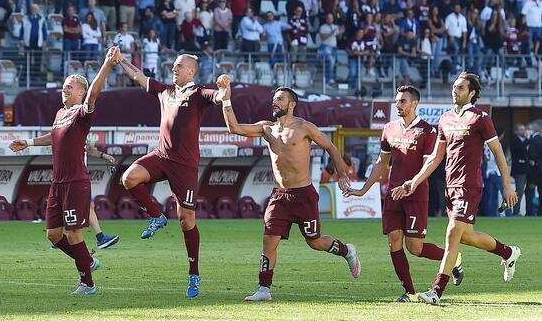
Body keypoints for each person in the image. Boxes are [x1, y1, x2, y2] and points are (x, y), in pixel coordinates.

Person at [216, 81, 360, 302]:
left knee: (314, 241)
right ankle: (264, 289)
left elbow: (331, 147)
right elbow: (234, 128)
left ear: (292, 104)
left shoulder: (305, 127)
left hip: (303, 194)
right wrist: (226, 99)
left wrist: (342, 175)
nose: (275, 101)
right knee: (268, 241)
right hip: (279, 195)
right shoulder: (266, 128)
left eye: (280, 98)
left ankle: (347, 251)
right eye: (274, 98)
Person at [392, 72, 520, 305]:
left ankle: (436, 291)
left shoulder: (480, 117)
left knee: (452, 234)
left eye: (460, 88)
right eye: (454, 87)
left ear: (472, 93)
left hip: (469, 186)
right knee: (467, 237)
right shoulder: (445, 119)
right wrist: (414, 181)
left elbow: (498, 152)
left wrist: (507, 184)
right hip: (450, 187)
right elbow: (434, 158)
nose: (455, 90)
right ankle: (508, 253)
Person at [9, 47, 120, 295]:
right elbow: (53, 136)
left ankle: (88, 283)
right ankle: (88, 262)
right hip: (57, 182)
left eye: (70, 86)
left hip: (75, 181)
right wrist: (27, 143)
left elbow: (94, 95)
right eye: (64, 85)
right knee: (53, 234)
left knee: (73, 233)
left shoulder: (82, 113)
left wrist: (106, 66)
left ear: (81, 91)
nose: (65, 88)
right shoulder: (60, 114)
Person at [115, 52, 221, 298]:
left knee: (186, 220)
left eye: (179, 66)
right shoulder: (166, 91)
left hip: (184, 165)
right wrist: (120, 60)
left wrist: (223, 91)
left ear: (191, 72)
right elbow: (139, 77)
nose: (174, 69)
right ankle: (156, 216)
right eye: (173, 66)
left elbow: (215, 96)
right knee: (129, 177)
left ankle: (194, 274)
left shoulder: (197, 93)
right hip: (161, 157)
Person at [345, 86, 462, 302]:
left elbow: (429, 165)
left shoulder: (428, 131)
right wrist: (363, 188)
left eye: (403, 101)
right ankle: (409, 292)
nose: (398, 105)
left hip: (415, 194)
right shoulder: (389, 128)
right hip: (393, 194)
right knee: (394, 240)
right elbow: (381, 163)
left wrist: (409, 185)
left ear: (414, 104)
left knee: (415, 248)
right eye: (397, 101)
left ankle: (453, 259)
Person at [81, 138, 119, 249]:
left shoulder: (83, 131)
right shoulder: (73, 129)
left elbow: (89, 150)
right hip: (72, 176)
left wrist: (104, 156)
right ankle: (58, 239)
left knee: (89, 206)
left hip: (80, 176)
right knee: (70, 207)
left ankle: (101, 238)